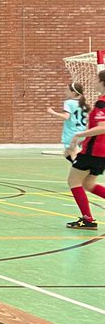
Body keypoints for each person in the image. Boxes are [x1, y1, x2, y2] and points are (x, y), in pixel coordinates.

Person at [64, 68, 105, 229]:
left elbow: (103, 127)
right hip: (101, 152)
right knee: (89, 184)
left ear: (102, 83)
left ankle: (87, 219)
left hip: (93, 151)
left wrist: (79, 135)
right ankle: (87, 219)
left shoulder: (102, 102)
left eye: (97, 80)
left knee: (73, 181)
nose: (94, 82)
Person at [48, 82, 88, 160]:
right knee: (67, 154)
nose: (65, 92)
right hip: (82, 132)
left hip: (72, 133)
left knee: (74, 155)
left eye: (67, 90)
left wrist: (53, 112)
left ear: (73, 92)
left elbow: (66, 117)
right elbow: (87, 118)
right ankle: (81, 169)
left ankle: (82, 170)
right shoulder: (83, 103)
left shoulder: (68, 103)